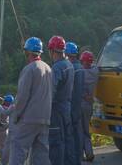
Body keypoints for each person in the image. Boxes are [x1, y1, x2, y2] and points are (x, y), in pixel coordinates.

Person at [9, 37, 53, 165]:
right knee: (41, 155)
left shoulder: (29, 69)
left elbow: (22, 97)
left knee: (18, 150)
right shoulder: (48, 68)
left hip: (28, 119)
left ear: (27, 52)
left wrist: (16, 115)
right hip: (45, 119)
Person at [47, 35, 74, 165]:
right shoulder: (69, 64)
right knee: (67, 140)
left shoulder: (57, 68)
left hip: (56, 110)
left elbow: (51, 92)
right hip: (67, 108)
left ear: (52, 51)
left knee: (56, 142)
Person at [66, 42, 84, 165]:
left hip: (71, 107)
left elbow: (70, 91)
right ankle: (78, 159)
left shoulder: (72, 69)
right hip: (78, 106)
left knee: (70, 137)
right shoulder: (81, 68)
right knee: (78, 134)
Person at [80, 51, 99, 162]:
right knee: (86, 129)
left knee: (80, 130)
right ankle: (89, 152)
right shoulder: (95, 72)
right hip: (89, 105)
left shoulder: (81, 73)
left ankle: (84, 153)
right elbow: (96, 65)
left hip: (81, 104)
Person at [0, 94, 15, 164]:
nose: (4, 101)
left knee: (2, 147)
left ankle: (3, 161)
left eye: (5, 100)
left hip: (3, 130)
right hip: (7, 129)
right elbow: (5, 102)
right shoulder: (11, 107)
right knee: (5, 146)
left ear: (7, 102)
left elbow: (3, 110)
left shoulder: (5, 108)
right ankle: (4, 160)